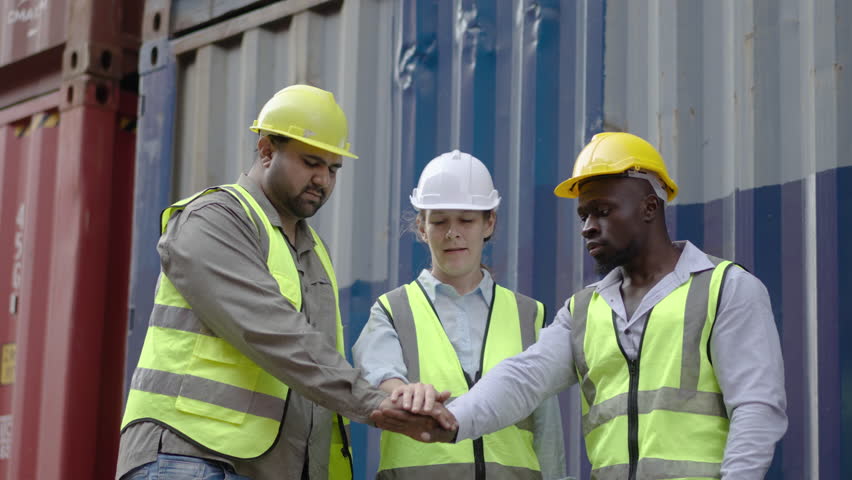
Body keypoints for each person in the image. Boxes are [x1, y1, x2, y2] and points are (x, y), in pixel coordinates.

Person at [376, 132, 788, 479]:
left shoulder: (725, 290)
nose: (588, 227)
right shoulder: (585, 310)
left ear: (649, 208)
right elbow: (523, 379)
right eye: (583, 215)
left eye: (602, 212)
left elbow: (756, 410)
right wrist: (452, 422)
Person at [116, 85, 454, 480]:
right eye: (311, 162)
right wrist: (370, 401)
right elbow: (271, 330)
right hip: (189, 457)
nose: (322, 179)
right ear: (266, 151)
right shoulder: (213, 218)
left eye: (333, 169)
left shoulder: (314, 252)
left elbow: (311, 365)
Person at [354, 150, 567, 479]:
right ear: (422, 227)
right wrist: (404, 391)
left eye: (466, 220)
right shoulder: (392, 310)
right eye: (439, 221)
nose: (452, 232)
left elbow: (547, 431)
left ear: (489, 223)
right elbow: (379, 376)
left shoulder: (528, 315)